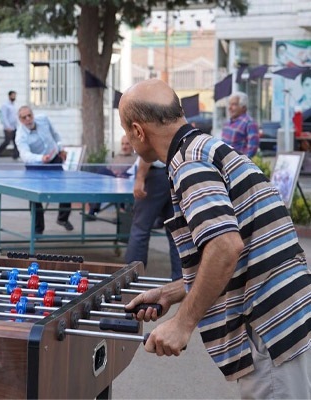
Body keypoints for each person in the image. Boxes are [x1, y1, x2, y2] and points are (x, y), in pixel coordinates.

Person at [119, 78, 310, 399]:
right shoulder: (207, 148)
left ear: (138, 131)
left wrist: (182, 323)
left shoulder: (189, 163)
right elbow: (244, 247)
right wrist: (171, 292)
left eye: (126, 131)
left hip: (269, 329)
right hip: (288, 318)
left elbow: (225, 246)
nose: (127, 138)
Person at [15, 105, 73, 234]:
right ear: (20, 120)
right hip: (35, 164)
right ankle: (38, 229)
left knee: (64, 189)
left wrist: (60, 148)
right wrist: (41, 158)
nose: (28, 119)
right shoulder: (20, 136)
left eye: (29, 115)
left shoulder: (44, 119)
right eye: (24, 117)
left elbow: (55, 135)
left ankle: (63, 218)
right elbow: (25, 155)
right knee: (35, 197)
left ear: (33, 115)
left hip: (53, 159)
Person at [124, 157, 182, 281]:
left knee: (140, 228)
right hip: (177, 174)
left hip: (156, 175)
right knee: (177, 232)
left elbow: (149, 149)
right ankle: (181, 281)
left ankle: (132, 278)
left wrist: (140, 178)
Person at [85, 135, 136, 219]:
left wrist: (121, 174)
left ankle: (121, 210)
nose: (124, 146)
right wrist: (113, 173)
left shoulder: (135, 158)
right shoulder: (117, 156)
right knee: (100, 175)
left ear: (132, 145)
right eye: (122, 144)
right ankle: (93, 209)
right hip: (111, 181)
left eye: (127, 144)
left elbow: (134, 172)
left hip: (125, 183)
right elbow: (108, 168)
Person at [221, 92, 259, 158]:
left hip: (238, 165)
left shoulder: (249, 123)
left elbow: (252, 149)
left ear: (243, 107)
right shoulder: (227, 123)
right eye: (229, 104)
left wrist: (240, 164)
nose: (230, 108)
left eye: (234, 104)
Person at [0, 90, 19, 159]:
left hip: (14, 126)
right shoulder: (5, 105)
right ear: (9, 96)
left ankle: (15, 155)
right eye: (13, 95)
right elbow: (4, 117)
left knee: (16, 141)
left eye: (15, 96)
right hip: (8, 127)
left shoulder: (14, 105)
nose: (14, 97)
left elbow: (15, 116)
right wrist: (7, 126)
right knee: (7, 141)